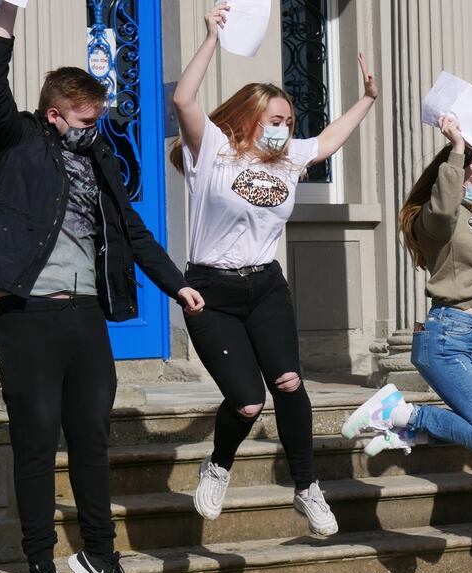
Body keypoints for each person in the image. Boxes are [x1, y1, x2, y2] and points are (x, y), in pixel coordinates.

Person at [0, 3, 204, 573]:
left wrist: (178, 286)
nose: (93, 127)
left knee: (92, 441)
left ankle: (100, 556)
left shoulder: (100, 160)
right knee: (37, 444)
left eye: (98, 118)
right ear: (53, 114)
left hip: (87, 319)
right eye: (83, 118)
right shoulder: (20, 139)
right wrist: (4, 23)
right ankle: (40, 562)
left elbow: (133, 232)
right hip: (29, 317)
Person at [170, 3, 377, 536]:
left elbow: (330, 140)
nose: (286, 130)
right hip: (210, 290)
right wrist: (212, 39)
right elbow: (183, 99)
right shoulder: (212, 151)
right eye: (277, 121)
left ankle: (308, 489)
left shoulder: (290, 160)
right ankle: (218, 465)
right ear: (249, 120)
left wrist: (368, 100)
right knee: (245, 401)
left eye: (289, 123)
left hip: (265, 285)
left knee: (288, 382)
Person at [341, 115, 472, 458]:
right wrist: (457, 148)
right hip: (446, 337)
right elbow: (443, 207)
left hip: (469, 337)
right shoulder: (438, 218)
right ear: (453, 177)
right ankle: (397, 412)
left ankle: (406, 432)